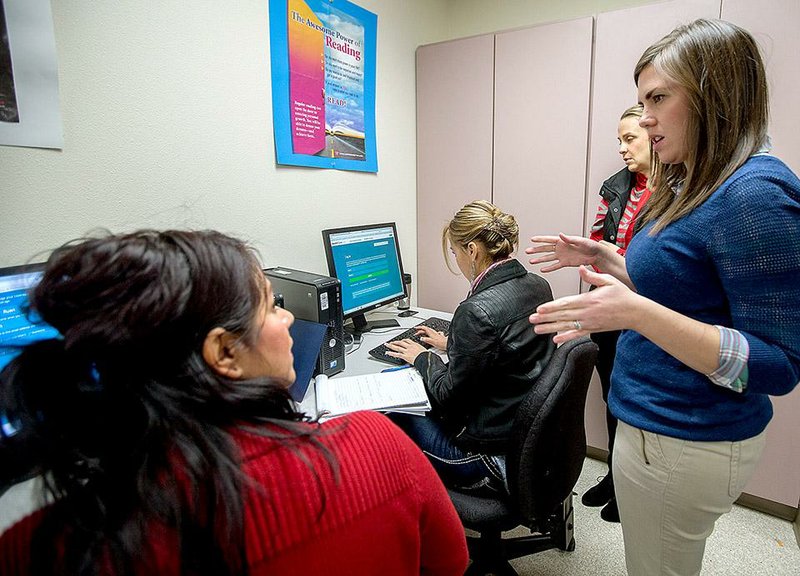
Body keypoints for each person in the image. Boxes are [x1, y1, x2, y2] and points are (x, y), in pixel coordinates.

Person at [0, 230, 468, 576]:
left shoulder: (38, 546)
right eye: (270, 305)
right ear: (223, 352)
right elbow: (449, 564)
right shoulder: (374, 445)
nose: (289, 319)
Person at [526, 19, 800, 576]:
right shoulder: (700, 179)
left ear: (713, 97)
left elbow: (778, 365)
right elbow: (692, 296)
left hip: (686, 437)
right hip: (656, 425)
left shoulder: (755, 195)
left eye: (657, 98)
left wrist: (635, 311)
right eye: (641, 100)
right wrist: (612, 264)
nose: (644, 117)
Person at [386, 200, 555, 495]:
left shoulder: (476, 310)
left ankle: (418, 516)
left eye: (455, 252)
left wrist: (423, 357)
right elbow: (508, 351)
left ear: (473, 251)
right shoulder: (538, 286)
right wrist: (453, 343)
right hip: (527, 444)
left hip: (485, 460)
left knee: (391, 413)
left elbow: (448, 399)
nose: (457, 259)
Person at [582, 104, 653, 523]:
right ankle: (614, 474)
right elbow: (597, 243)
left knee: (636, 400)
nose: (623, 149)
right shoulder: (615, 187)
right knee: (612, 395)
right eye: (620, 141)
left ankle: (633, 487)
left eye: (630, 139)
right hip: (609, 307)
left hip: (645, 312)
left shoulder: (676, 191)